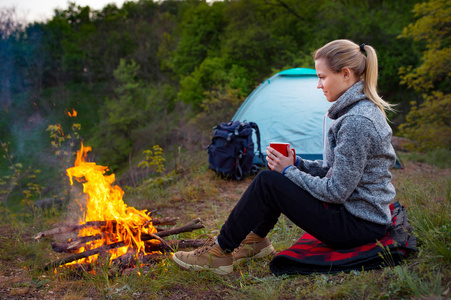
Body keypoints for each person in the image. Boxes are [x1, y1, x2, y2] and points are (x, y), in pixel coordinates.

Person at [172, 39, 397, 275]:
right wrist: (298, 163)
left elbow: (336, 191)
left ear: (345, 74)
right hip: (359, 217)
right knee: (272, 179)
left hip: (358, 225)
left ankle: (219, 251)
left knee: (269, 182)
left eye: (322, 77)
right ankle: (254, 242)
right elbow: (334, 170)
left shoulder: (356, 121)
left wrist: (289, 172)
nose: (318, 85)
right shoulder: (354, 112)